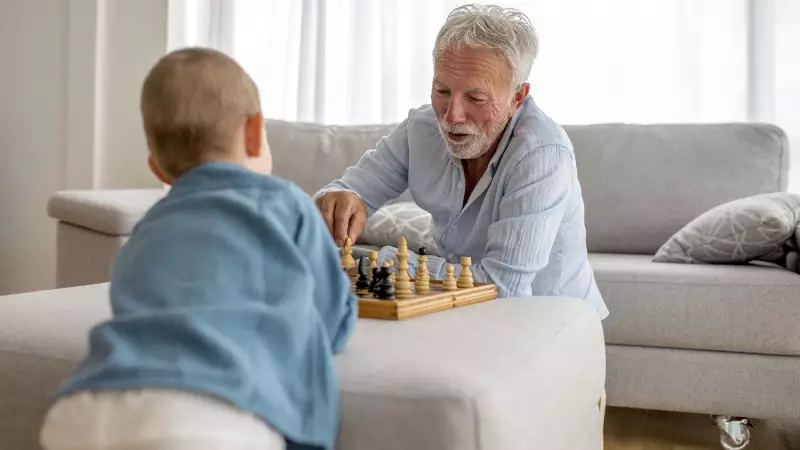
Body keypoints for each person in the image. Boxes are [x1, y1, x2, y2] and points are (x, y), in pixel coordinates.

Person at [39, 48, 357, 450]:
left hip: (86, 406)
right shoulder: (286, 202)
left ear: (157, 169)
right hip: (210, 411)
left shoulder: (146, 229)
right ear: (256, 132)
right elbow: (330, 319)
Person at [314, 4, 608, 318]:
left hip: (552, 325)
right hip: (461, 310)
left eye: (475, 98)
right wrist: (339, 200)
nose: (451, 115)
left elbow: (503, 289)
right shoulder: (420, 130)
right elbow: (351, 190)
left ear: (517, 98)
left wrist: (386, 260)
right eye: (442, 90)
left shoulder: (542, 154)